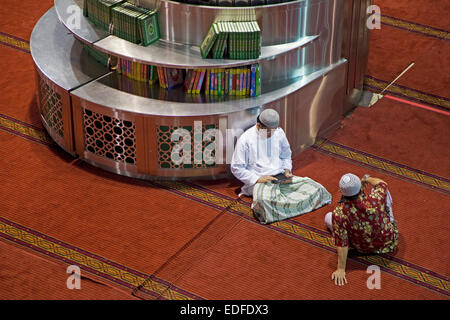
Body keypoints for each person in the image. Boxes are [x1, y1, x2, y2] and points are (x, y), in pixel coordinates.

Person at [231, 109, 332, 224]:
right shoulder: (246, 139)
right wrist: (257, 179)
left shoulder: (278, 132)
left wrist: (287, 169)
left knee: (316, 188)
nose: (272, 134)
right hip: (261, 181)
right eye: (269, 132)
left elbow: (286, 155)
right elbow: (236, 167)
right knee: (264, 201)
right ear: (259, 126)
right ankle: (290, 206)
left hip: (281, 177)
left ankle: (283, 208)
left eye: (273, 131)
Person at [325, 173, 399, 286]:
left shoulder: (339, 213)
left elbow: (342, 243)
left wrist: (341, 269)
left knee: (328, 217)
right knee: (384, 192)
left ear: (341, 193)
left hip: (361, 248)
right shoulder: (375, 199)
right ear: (361, 190)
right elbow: (382, 183)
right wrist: (366, 179)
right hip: (388, 242)